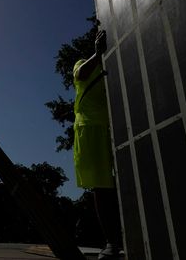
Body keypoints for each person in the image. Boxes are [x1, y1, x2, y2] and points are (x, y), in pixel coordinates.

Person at [72, 29, 123, 260]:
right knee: (102, 188)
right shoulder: (83, 62)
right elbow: (81, 74)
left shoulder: (117, 61)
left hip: (116, 127)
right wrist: (97, 54)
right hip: (91, 131)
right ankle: (112, 242)